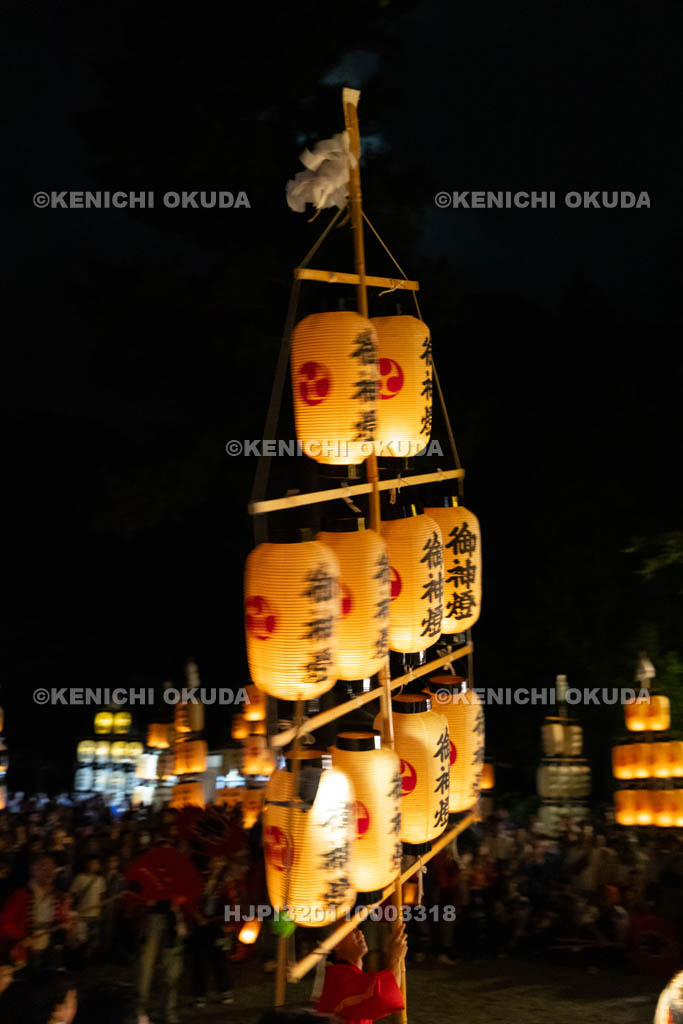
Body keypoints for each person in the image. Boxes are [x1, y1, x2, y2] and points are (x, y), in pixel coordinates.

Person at [315, 923, 406, 1024]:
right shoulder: (338, 977)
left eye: (357, 928)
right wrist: (395, 957)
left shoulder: (347, 973)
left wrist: (397, 957)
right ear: (336, 944)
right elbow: (383, 995)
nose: (359, 932)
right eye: (351, 930)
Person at [0, 855, 75, 970]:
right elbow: (4, 925)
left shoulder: (57, 896)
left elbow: (61, 920)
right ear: (33, 870)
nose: (50, 872)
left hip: (49, 954)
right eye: (44, 868)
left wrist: (66, 922)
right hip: (25, 955)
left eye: (52, 868)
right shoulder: (20, 895)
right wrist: (22, 936)